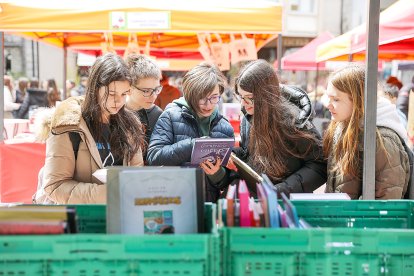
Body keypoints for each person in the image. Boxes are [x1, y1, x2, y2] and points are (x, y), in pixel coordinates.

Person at [34, 53, 145, 204]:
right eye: (111, 93)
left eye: (124, 94)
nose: (118, 101)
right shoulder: (67, 123)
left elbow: (136, 176)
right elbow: (55, 186)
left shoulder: (130, 126)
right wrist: (106, 194)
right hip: (80, 219)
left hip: (119, 216)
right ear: (95, 88)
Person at [232, 59, 327, 197]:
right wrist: (236, 155)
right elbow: (252, 153)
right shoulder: (249, 115)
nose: (243, 103)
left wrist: (284, 189)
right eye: (240, 96)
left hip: (290, 203)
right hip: (262, 198)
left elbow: (319, 165)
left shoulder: (293, 120)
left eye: (249, 97)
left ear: (265, 95)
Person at [147, 62, 234, 202]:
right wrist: (193, 145)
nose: (208, 105)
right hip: (173, 199)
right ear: (190, 95)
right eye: (202, 98)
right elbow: (154, 157)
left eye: (214, 97)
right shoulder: (170, 115)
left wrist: (217, 173)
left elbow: (227, 180)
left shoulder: (224, 127)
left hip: (208, 203)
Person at [324, 65, 410, 199]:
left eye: (336, 99)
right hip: (342, 217)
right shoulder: (342, 128)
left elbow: (386, 203)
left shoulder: (382, 139)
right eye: (328, 98)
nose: (328, 105)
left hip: (362, 220)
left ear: (359, 100)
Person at [125, 54, 163, 160]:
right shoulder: (116, 112)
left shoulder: (158, 115)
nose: (153, 95)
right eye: (146, 91)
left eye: (156, 89)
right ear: (129, 88)